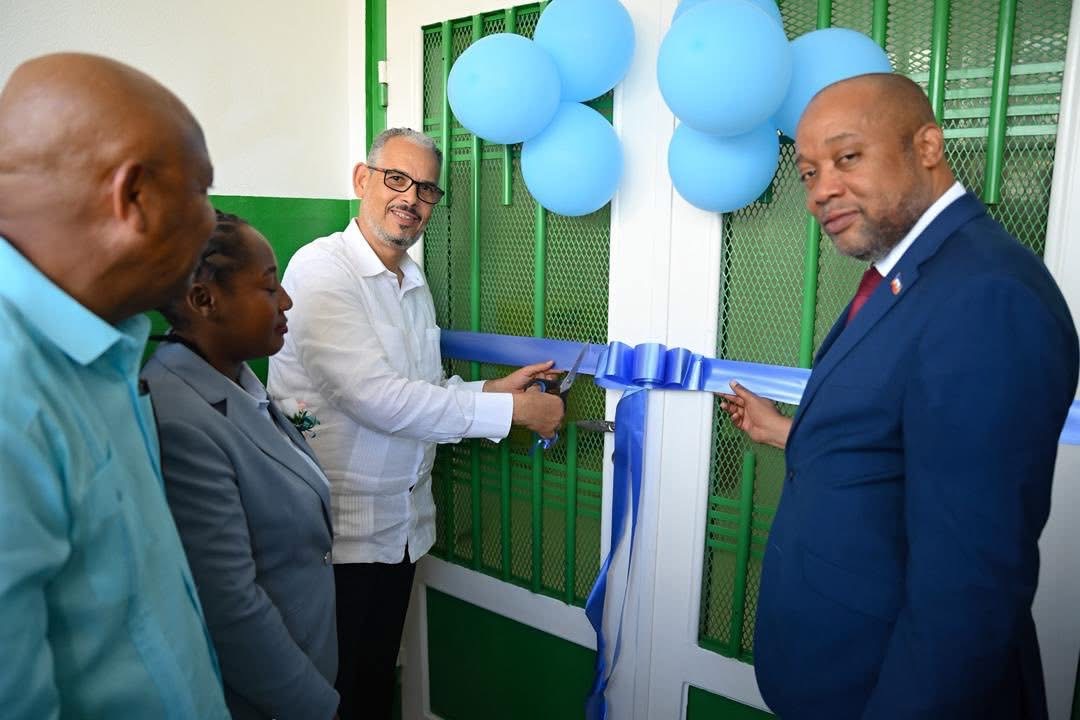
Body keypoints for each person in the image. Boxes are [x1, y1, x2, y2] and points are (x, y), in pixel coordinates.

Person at [719, 73, 1078, 719]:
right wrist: (788, 433)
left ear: (928, 146)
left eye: (847, 157)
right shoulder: (906, 280)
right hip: (837, 675)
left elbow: (967, 591)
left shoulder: (986, 297)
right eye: (807, 172)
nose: (821, 190)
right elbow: (903, 444)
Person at [268, 127, 565, 719]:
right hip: (334, 540)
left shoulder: (412, 281)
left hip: (399, 531)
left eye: (427, 189)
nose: (410, 198)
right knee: (329, 694)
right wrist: (512, 412)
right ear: (362, 179)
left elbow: (420, 392)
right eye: (396, 179)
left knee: (373, 683)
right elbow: (376, 398)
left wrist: (491, 389)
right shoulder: (322, 270)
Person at [0, 54, 229, 718]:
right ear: (134, 197)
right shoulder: (13, 399)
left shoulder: (101, 355)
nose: (213, 220)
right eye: (202, 189)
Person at [143, 212, 339, 720]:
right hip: (263, 699)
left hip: (307, 665)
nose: (287, 301)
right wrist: (317, 705)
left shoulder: (240, 383)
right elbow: (229, 607)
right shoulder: (180, 419)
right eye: (269, 287)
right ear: (204, 301)